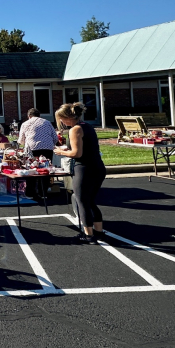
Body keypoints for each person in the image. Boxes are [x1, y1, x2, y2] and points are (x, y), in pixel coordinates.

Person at [54, 102, 106, 244]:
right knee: (91, 201)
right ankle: (99, 232)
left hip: (84, 168)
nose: (62, 122)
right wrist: (66, 149)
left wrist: (60, 151)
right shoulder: (87, 126)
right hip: (98, 167)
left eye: (62, 119)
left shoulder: (75, 129)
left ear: (68, 117)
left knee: (81, 201)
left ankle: (89, 235)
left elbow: (77, 153)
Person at [18, 108, 59, 197]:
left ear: (29, 116)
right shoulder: (47, 122)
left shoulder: (25, 124)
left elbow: (21, 140)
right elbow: (55, 138)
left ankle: (30, 193)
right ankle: (43, 193)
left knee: (32, 170)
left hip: (32, 149)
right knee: (45, 170)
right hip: (47, 148)